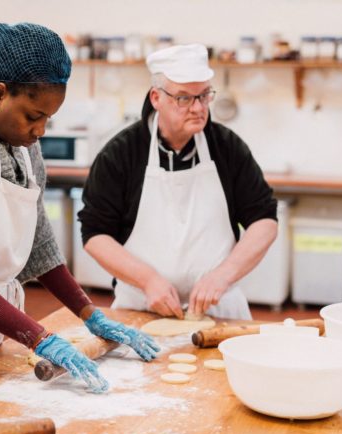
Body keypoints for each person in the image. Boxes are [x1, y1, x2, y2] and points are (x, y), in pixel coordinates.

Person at [0, 22, 159, 393]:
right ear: (0, 94)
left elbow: (41, 246)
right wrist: (40, 338)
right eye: (34, 116)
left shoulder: (25, 149)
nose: (41, 130)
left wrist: (91, 315)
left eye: (49, 119)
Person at [79, 44, 278, 321]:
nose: (198, 108)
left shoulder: (227, 148)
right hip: (141, 308)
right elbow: (95, 234)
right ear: (156, 97)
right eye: (184, 98)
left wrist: (223, 275)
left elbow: (264, 221)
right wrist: (148, 280)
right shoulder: (121, 153)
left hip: (219, 311)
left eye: (204, 95)